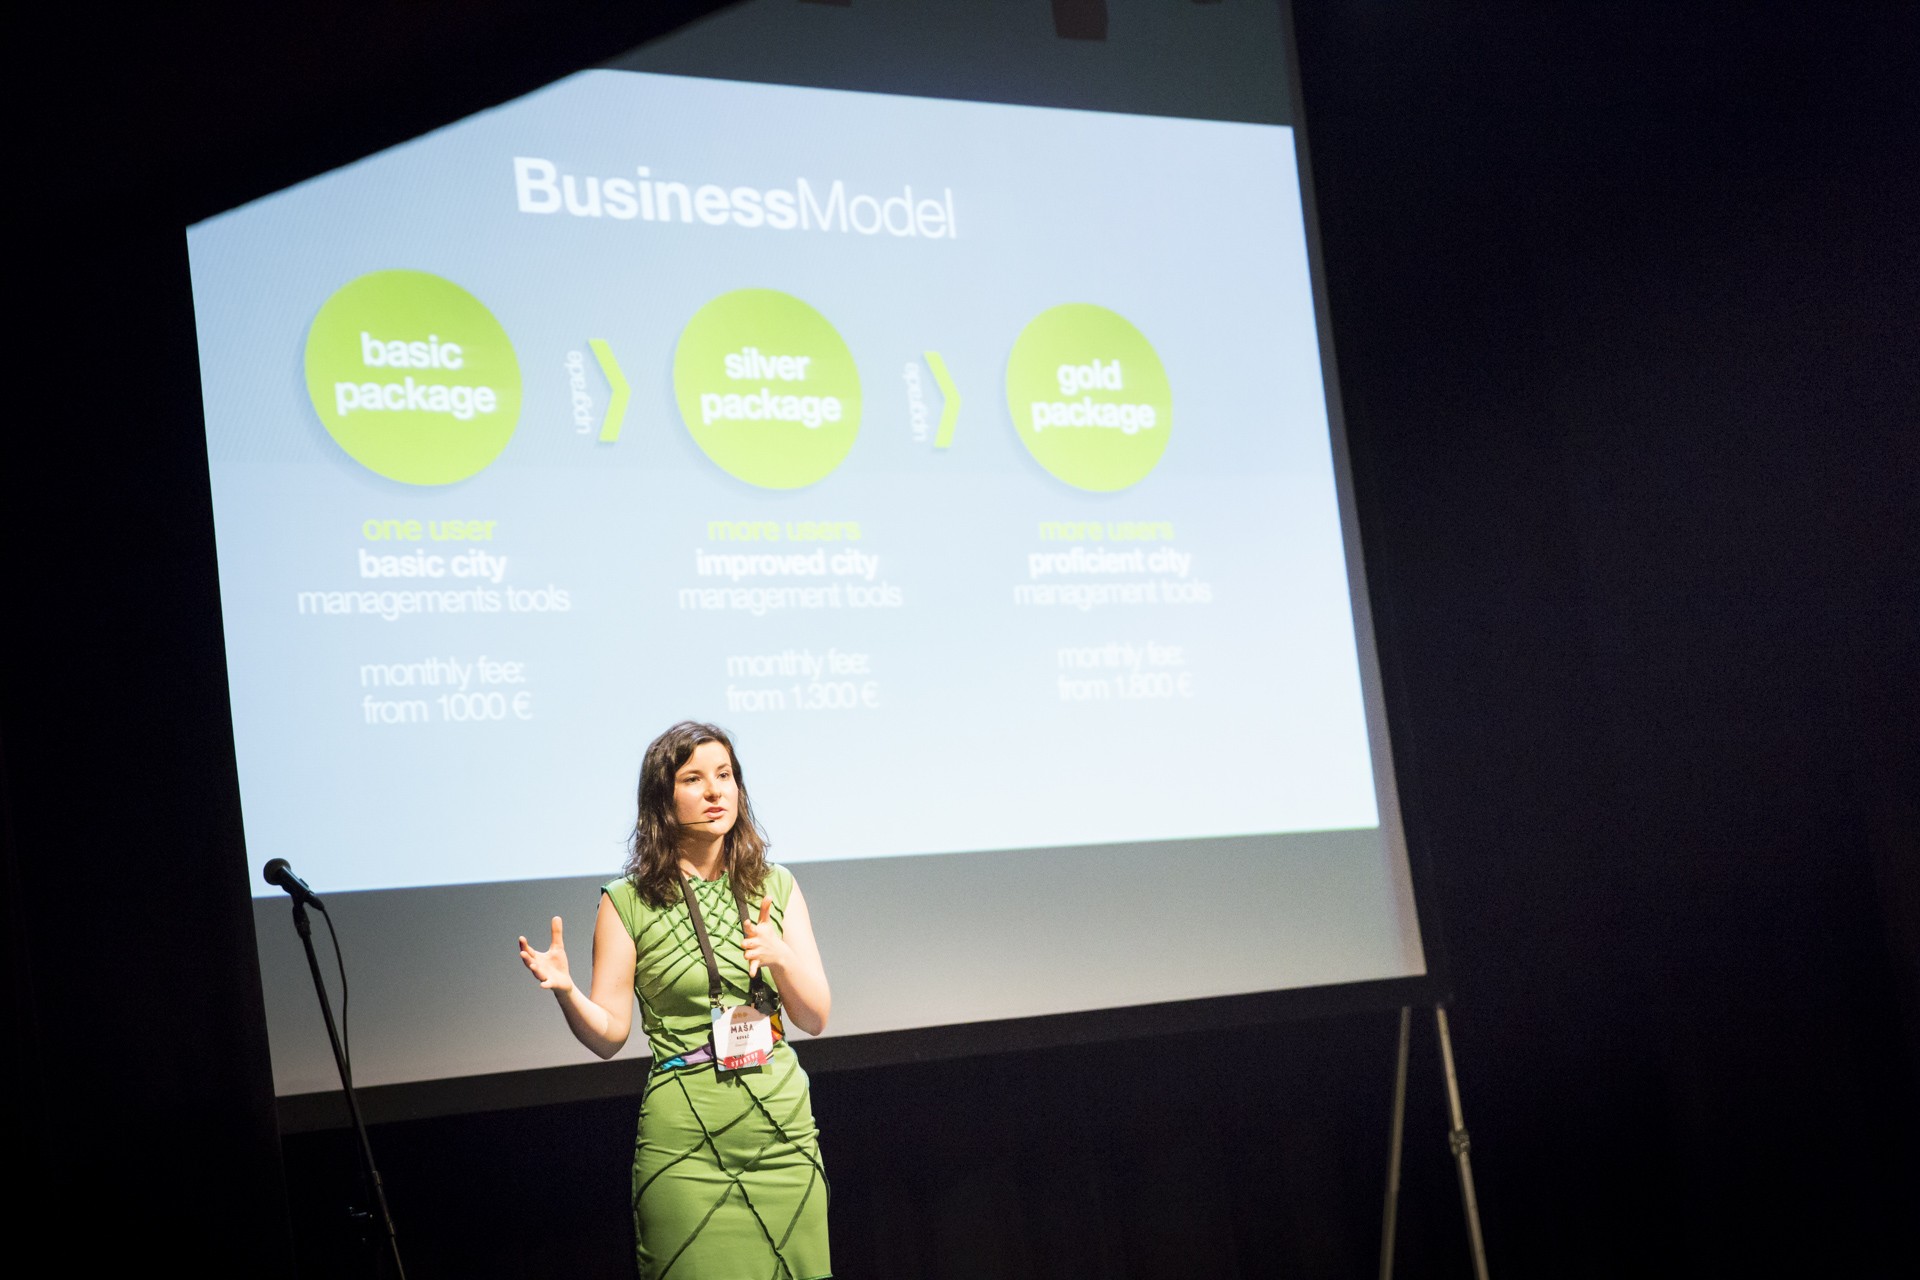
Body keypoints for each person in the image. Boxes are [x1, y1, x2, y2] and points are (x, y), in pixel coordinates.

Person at [518, 721, 832, 1279]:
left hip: (783, 1134)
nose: (715, 791)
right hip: (686, 1145)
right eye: (694, 779)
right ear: (662, 799)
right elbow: (609, 1036)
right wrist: (566, 992)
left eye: (725, 776)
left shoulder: (776, 884)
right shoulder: (627, 901)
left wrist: (781, 958)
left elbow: (815, 1017)